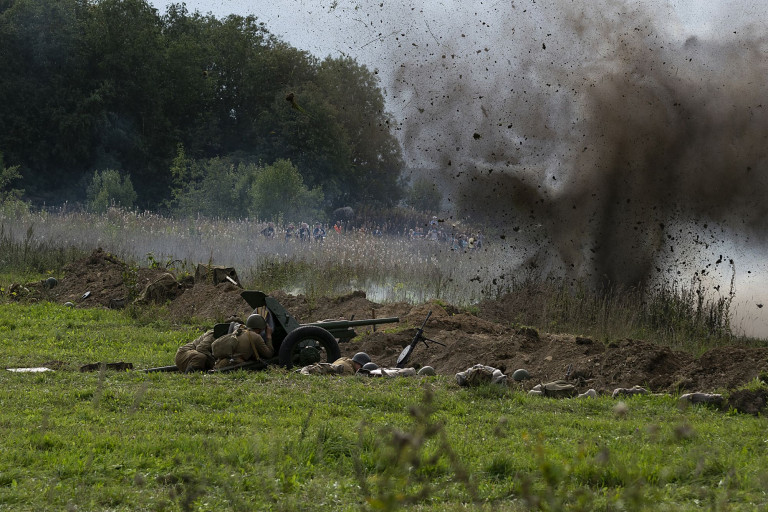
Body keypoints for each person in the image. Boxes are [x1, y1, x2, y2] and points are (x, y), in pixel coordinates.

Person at [208, 314, 274, 370]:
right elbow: (268, 354)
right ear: (259, 329)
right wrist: (269, 336)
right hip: (233, 364)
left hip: (221, 364)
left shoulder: (239, 331)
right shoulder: (256, 336)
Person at [299, 352, 371, 375]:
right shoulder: (348, 370)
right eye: (361, 366)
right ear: (358, 363)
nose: (361, 369)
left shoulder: (344, 359)